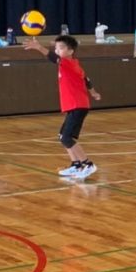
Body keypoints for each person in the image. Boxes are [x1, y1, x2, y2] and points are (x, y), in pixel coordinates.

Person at [24, 35, 102, 179]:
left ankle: (88, 164)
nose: (57, 50)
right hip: (75, 106)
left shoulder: (67, 63)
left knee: (66, 138)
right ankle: (76, 165)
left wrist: (39, 47)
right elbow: (86, 79)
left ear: (70, 51)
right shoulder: (73, 64)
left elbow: (54, 58)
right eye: (56, 48)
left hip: (78, 105)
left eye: (61, 48)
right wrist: (93, 92)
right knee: (63, 137)